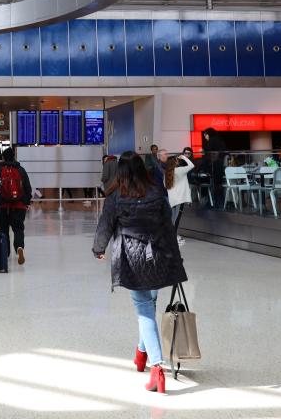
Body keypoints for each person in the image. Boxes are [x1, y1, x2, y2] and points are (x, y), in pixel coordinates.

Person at [92, 153, 187, 395]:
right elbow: (167, 224)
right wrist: (174, 256)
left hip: (132, 257)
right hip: (156, 254)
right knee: (149, 304)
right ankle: (141, 353)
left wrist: (99, 248)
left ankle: (156, 368)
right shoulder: (156, 192)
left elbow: (105, 224)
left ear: (121, 172)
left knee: (144, 308)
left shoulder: (115, 196)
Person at [0, 147, 32, 265]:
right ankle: (19, 248)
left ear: (3, 157)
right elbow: (28, 188)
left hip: (1, 205)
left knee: (3, 230)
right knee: (18, 229)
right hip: (18, 205)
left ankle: (5, 252)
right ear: (14, 156)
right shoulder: (20, 170)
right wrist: (26, 201)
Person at [165, 152, 194, 246]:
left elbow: (165, 186)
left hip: (172, 200)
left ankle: (171, 236)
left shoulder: (167, 173)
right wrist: (184, 158)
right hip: (179, 199)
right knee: (176, 220)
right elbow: (191, 165)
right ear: (175, 162)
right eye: (177, 160)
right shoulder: (180, 170)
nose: (178, 161)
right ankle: (174, 238)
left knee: (173, 219)